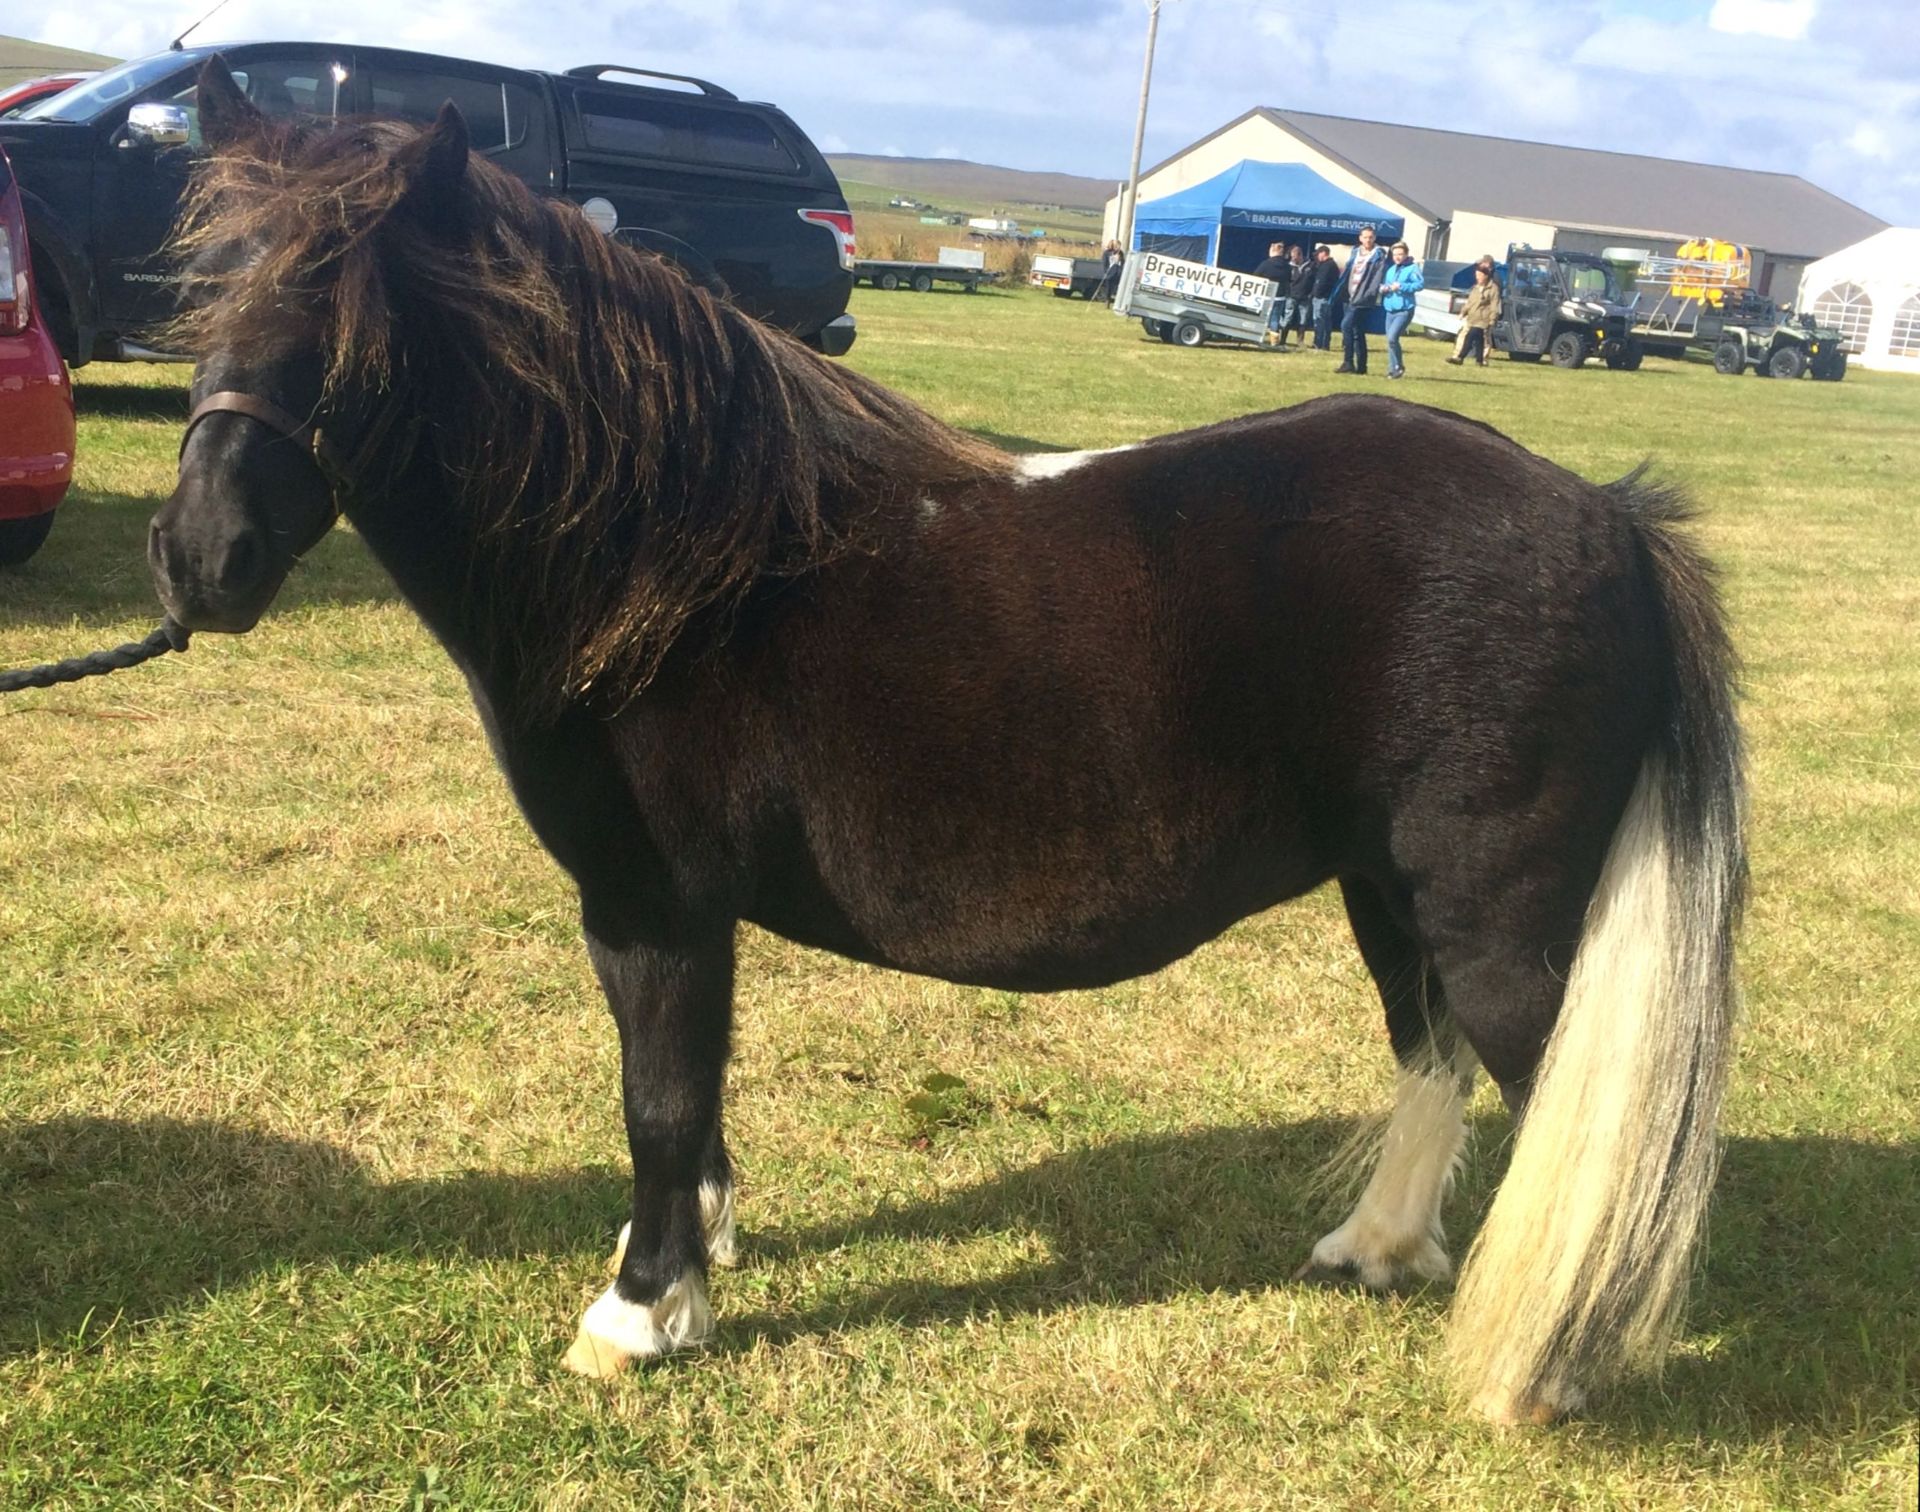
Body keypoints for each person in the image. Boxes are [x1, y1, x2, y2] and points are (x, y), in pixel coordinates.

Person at [1335, 227, 1387, 374]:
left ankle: (1348, 362)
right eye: (1365, 237)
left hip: (1362, 297)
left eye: (1370, 237)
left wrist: (1369, 294)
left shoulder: (1378, 255)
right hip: (1349, 294)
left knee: (1345, 325)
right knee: (1357, 331)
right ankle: (1362, 366)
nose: (1368, 240)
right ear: (1360, 238)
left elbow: (1377, 277)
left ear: (1374, 238)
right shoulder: (1355, 252)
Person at [1380, 240, 1424, 380]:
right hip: (1390, 308)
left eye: (1400, 254)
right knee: (1390, 341)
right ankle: (1393, 369)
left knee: (1393, 337)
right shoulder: (1391, 269)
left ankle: (1399, 366)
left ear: (1406, 254)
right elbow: (1387, 284)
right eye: (1395, 254)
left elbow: (1420, 284)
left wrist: (1402, 286)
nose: (1397, 257)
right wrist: (1384, 289)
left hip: (1404, 309)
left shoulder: (1412, 268)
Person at [1447, 257, 1500, 366]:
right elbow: (1470, 302)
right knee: (1478, 339)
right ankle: (1479, 361)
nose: (1477, 278)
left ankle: (1460, 358)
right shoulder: (1475, 288)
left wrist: (1492, 320)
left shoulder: (1493, 288)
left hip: (1483, 320)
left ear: (1485, 275)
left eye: (1479, 276)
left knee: (1471, 336)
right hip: (1472, 317)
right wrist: (1463, 312)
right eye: (1476, 275)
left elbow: (1495, 305)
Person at [1253, 241, 1291, 345]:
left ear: (1273, 251)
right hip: (1280, 296)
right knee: (1275, 319)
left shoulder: (1266, 264)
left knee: (1263, 318)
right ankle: (1274, 341)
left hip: (1267, 296)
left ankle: (1258, 338)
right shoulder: (1287, 266)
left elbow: (1256, 276)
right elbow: (1289, 279)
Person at [1283, 243, 1315, 349]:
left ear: (1300, 255)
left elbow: (1315, 281)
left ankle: (1300, 341)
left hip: (1305, 297)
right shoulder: (1288, 266)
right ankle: (1283, 340)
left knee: (1303, 319)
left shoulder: (1310, 266)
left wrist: (1311, 293)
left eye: (1294, 256)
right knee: (1288, 318)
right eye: (1291, 256)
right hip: (1291, 296)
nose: (1292, 259)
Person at [1309, 244, 1340, 351]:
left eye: (1318, 254)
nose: (1317, 257)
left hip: (1321, 298)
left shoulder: (1327, 266)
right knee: (1326, 321)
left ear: (1323, 253)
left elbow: (1321, 282)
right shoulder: (1332, 265)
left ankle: (1318, 343)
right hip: (1328, 298)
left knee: (1319, 320)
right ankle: (1325, 344)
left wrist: (1315, 293)